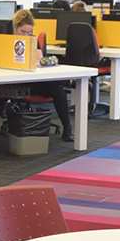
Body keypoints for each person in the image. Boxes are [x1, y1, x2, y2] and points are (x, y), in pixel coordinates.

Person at [15, 10, 74, 142]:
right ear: (15, 28)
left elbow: (38, 62)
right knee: (57, 86)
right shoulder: (6, 41)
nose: (27, 35)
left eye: (30, 32)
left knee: (57, 89)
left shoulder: (33, 41)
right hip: (13, 82)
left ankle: (67, 128)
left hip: (31, 81)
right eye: (23, 32)